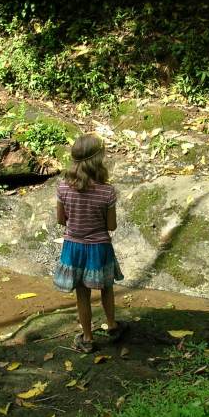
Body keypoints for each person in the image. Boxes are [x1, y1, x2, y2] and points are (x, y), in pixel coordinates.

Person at [54, 133, 126, 353]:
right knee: (106, 287)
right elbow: (111, 226)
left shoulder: (63, 188)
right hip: (99, 247)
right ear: (98, 159)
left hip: (73, 248)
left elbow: (60, 220)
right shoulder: (107, 191)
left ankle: (87, 337)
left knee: (82, 293)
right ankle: (112, 326)